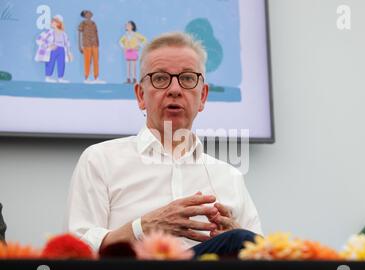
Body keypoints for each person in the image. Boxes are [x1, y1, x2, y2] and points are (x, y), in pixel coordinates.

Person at [66, 32, 262, 257]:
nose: (175, 89)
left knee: (243, 241)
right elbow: (74, 251)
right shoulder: (100, 160)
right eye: (160, 78)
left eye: (188, 78)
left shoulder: (230, 177)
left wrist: (234, 241)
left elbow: (265, 265)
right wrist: (144, 227)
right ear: (141, 95)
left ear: (203, 96)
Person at [35, 14, 73, 83]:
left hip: (61, 50)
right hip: (52, 49)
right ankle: (48, 77)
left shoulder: (64, 34)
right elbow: (39, 39)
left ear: (58, 23)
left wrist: (69, 52)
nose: (51, 23)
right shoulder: (49, 32)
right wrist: (48, 45)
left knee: (61, 63)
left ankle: (60, 78)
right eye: (52, 21)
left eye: (53, 21)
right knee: (50, 62)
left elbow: (67, 43)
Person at [78, 10, 104, 84]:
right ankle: (87, 77)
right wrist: (79, 46)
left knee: (96, 61)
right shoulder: (82, 23)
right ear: (84, 15)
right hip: (86, 44)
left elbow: (96, 33)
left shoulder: (94, 23)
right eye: (87, 13)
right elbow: (79, 34)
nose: (89, 13)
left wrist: (98, 43)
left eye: (89, 12)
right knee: (87, 61)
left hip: (95, 44)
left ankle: (96, 77)